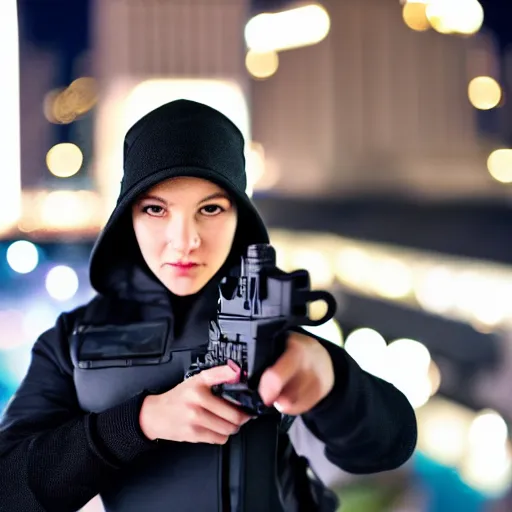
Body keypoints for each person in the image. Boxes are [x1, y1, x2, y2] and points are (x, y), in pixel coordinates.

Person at [0, 99, 417, 512]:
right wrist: (142, 421)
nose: (184, 241)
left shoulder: (269, 323)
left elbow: (387, 445)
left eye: (211, 208)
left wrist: (332, 382)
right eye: (156, 209)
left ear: (239, 217)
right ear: (129, 216)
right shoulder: (71, 343)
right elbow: (9, 488)